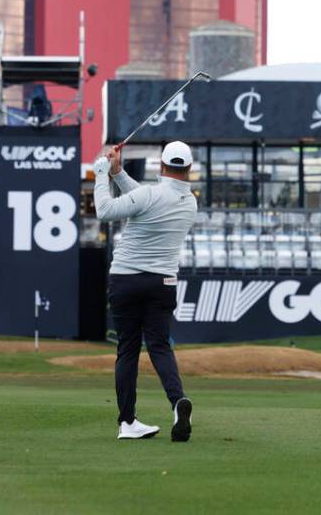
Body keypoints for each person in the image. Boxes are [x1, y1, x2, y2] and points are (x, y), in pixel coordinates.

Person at [93, 140, 198, 442]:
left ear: (162, 165)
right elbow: (144, 199)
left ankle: (127, 421)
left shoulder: (149, 194)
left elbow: (105, 210)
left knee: (127, 348)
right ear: (188, 169)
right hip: (162, 283)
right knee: (159, 346)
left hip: (126, 280)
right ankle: (178, 402)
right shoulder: (189, 202)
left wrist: (103, 172)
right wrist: (118, 172)